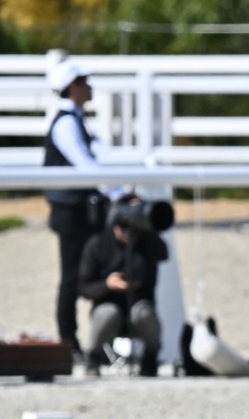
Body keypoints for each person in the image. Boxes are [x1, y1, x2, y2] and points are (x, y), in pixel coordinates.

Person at [42, 59, 123, 351]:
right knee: (73, 277)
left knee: (86, 273)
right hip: (72, 213)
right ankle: (69, 341)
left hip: (80, 210)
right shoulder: (66, 123)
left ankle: (94, 339)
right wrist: (118, 193)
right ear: (73, 87)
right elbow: (86, 165)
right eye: (85, 82)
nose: (90, 87)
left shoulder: (75, 120)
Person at [77, 200, 167, 375]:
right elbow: (83, 287)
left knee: (144, 313)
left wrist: (147, 223)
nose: (129, 234)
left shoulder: (147, 244)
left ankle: (150, 359)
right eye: (123, 227)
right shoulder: (98, 244)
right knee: (108, 313)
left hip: (138, 309)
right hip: (109, 309)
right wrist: (107, 284)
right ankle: (93, 358)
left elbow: (163, 253)